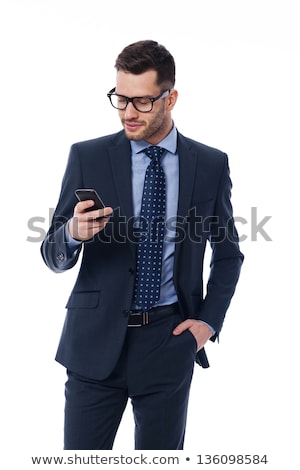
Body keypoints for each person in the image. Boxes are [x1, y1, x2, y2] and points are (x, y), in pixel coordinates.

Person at [41, 39, 244, 450]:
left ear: (171, 98)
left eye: (142, 101)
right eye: (120, 99)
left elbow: (228, 254)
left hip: (169, 343)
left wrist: (208, 323)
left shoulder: (209, 164)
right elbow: (51, 251)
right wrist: (71, 235)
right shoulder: (88, 156)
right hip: (94, 344)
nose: (128, 113)